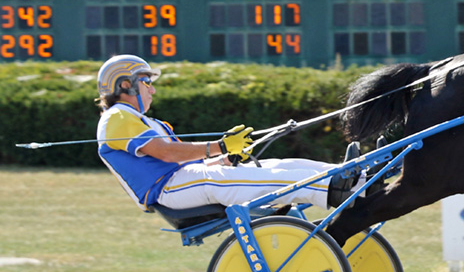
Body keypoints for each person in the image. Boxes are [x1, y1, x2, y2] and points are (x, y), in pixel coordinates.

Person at [95, 54, 356, 213]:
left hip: (185, 180)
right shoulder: (117, 117)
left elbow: (189, 162)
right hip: (167, 189)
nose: (152, 90)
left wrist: (227, 157)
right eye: (147, 82)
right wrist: (220, 145)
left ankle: (354, 176)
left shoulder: (146, 122)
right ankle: (334, 187)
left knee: (280, 165)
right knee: (232, 177)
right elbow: (166, 154)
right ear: (125, 85)